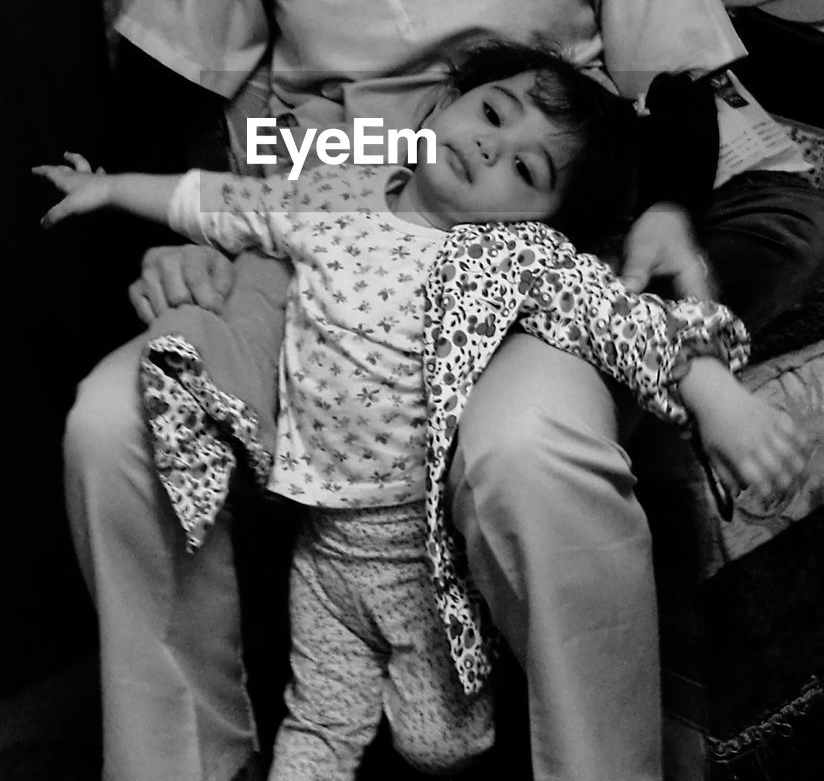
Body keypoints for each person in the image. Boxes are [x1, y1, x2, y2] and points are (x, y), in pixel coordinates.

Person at [63, 0, 824, 781]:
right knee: (115, 422)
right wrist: (165, 247)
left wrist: (664, 212)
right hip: (318, 225)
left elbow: (676, 86)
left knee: (533, 445)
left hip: (502, 252)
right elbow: (155, 92)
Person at [39, 41, 806, 781]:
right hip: (322, 544)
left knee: (441, 747)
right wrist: (107, 188)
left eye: (525, 169)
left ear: (538, 217)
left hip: (418, 558)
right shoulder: (334, 191)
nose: (488, 150)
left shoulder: (512, 259)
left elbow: (620, 320)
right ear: (445, 102)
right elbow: (223, 200)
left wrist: (714, 393)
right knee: (317, 731)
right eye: (492, 114)